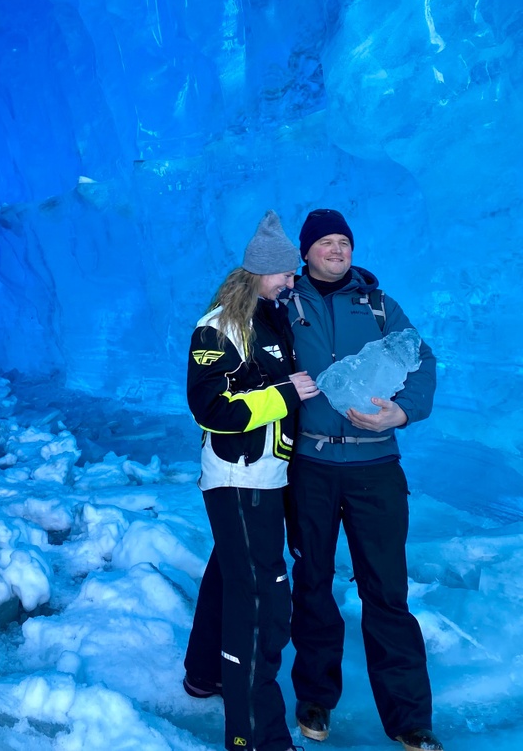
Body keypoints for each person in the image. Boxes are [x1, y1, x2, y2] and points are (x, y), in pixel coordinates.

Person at [285, 208, 443, 751]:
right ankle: (315, 698)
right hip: (311, 467)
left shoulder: (379, 305)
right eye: (325, 242)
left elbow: (422, 362)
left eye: (343, 241)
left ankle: (409, 719)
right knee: (312, 585)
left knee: (386, 591)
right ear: (305, 251)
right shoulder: (285, 305)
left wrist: (400, 414)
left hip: (376, 467)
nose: (336, 249)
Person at [183, 210, 319, 751]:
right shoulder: (220, 327)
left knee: (229, 574)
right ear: (262, 271)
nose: (293, 280)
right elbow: (210, 405)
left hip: (268, 476)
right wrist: (286, 393)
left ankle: (204, 674)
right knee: (260, 597)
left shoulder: (271, 317)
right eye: (285, 273)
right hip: (240, 480)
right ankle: (254, 734)